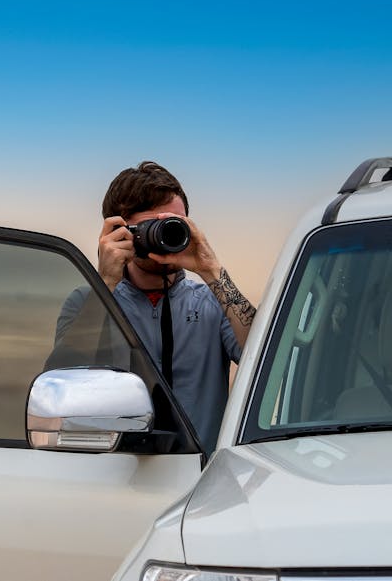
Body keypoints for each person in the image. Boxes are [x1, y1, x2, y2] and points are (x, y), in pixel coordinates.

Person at [58, 161, 256, 456]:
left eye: (175, 224)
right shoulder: (87, 302)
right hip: (112, 472)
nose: (164, 236)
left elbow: (268, 357)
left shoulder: (212, 302)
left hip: (199, 474)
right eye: (151, 227)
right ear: (119, 231)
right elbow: (63, 379)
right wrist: (106, 282)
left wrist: (212, 271)